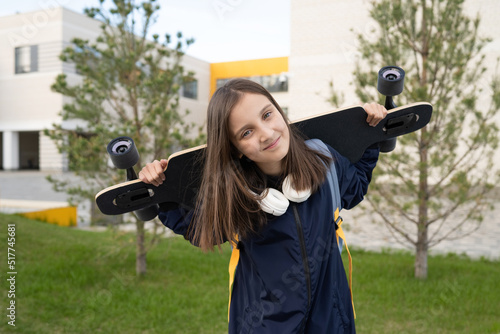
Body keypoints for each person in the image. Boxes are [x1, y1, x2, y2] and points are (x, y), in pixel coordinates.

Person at [139, 79, 387, 333]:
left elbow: (354, 189)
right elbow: (198, 229)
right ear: (236, 150)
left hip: (331, 320)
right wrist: (162, 192)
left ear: (279, 110)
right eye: (246, 133)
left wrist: (370, 137)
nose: (266, 133)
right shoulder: (235, 194)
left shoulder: (324, 163)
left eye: (267, 115)